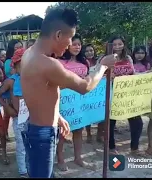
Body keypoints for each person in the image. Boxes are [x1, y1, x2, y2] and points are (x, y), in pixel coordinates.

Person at [20, 8, 116, 178]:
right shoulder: (48, 64)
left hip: (35, 128)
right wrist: (103, 66)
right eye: (70, 37)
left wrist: (57, 116)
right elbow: (84, 86)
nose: (70, 43)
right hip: (42, 134)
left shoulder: (29, 54)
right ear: (58, 35)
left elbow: (41, 92)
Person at [56, 34, 95, 171]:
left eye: (79, 44)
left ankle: (78, 157)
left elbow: (88, 81)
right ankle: (60, 159)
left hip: (80, 102)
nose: (77, 47)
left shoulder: (85, 63)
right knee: (62, 132)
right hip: (64, 103)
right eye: (74, 44)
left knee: (79, 130)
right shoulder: (59, 62)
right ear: (67, 45)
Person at [104, 35, 145, 156]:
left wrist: (148, 74)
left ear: (124, 44)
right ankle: (111, 148)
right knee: (111, 122)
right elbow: (98, 73)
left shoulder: (128, 58)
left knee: (137, 122)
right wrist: (108, 77)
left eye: (120, 44)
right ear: (110, 45)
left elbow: (133, 73)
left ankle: (135, 148)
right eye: (114, 44)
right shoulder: (105, 58)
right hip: (112, 94)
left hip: (128, 94)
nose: (117, 47)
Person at [0, 48, 28, 177]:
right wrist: (7, 107)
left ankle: (31, 166)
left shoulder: (34, 79)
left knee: (33, 143)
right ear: (15, 65)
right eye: (22, 63)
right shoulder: (11, 81)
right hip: (19, 117)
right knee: (21, 145)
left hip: (34, 116)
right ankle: (23, 171)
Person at [82, 43, 105, 143]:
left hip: (99, 91)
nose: (89, 53)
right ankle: (89, 134)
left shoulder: (99, 62)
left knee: (101, 113)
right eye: (87, 51)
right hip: (88, 92)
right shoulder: (82, 63)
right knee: (88, 113)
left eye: (91, 50)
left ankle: (100, 134)